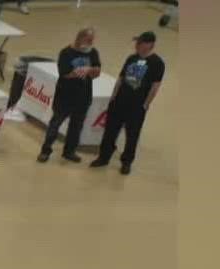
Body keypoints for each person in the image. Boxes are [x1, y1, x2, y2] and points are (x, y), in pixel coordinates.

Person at [91, 31, 165, 175]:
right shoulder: (132, 58)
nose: (137, 45)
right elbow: (121, 77)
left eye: (141, 43)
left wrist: (146, 104)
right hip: (119, 101)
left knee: (132, 135)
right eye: (138, 42)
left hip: (137, 106)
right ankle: (104, 156)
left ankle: (126, 161)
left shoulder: (157, 63)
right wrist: (113, 96)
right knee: (110, 131)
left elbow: (155, 86)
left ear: (150, 45)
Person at [37, 28, 100, 163]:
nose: (90, 43)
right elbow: (64, 73)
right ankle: (45, 150)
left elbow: (97, 71)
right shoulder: (66, 53)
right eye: (88, 40)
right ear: (80, 38)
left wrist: (89, 69)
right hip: (65, 96)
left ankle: (69, 151)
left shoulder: (93, 52)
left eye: (91, 41)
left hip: (83, 97)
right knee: (55, 124)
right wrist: (78, 72)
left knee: (76, 126)